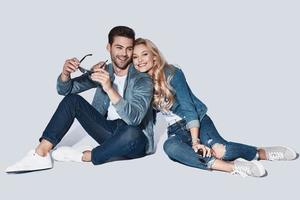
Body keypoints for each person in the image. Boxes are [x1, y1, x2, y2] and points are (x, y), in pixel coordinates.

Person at [131, 38, 297, 177]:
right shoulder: (141, 85)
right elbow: (144, 118)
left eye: (144, 54)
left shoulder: (173, 73)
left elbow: (189, 108)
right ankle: (232, 167)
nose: (140, 60)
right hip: (176, 130)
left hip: (198, 121)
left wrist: (196, 142)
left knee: (220, 151)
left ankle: (261, 153)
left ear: (154, 56)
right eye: (135, 57)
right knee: (170, 147)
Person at [5, 26, 155, 173]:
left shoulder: (142, 79)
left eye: (129, 49)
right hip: (108, 131)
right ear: (109, 47)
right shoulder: (104, 70)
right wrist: (65, 74)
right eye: (119, 47)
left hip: (134, 140)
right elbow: (65, 90)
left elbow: (134, 119)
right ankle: (41, 154)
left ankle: (86, 156)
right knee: (72, 100)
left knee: (131, 132)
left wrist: (109, 88)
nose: (124, 54)